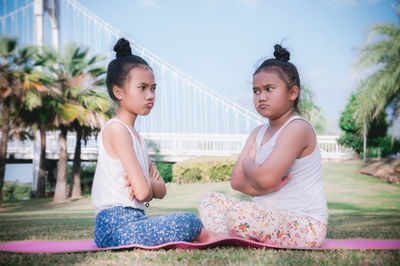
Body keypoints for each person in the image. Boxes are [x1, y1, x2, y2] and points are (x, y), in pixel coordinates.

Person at [92, 38, 221, 248]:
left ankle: (203, 234)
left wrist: (144, 182)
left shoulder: (138, 138)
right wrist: (146, 184)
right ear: (119, 92)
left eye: (153, 88)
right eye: (142, 88)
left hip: (137, 220)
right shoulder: (116, 129)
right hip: (114, 227)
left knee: (188, 221)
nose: (150, 95)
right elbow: (144, 193)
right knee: (189, 222)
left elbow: (160, 190)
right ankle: (204, 235)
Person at [198, 44, 328, 248]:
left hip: (304, 225)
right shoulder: (257, 133)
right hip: (268, 219)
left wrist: (250, 165)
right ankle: (221, 237)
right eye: (256, 91)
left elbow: (265, 177)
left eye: (269, 89)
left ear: (293, 93)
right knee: (209, 199)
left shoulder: (297, 128)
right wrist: (261, 189)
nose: (262, 97)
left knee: (238, 216)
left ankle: (221, 235)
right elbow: (236, 182)